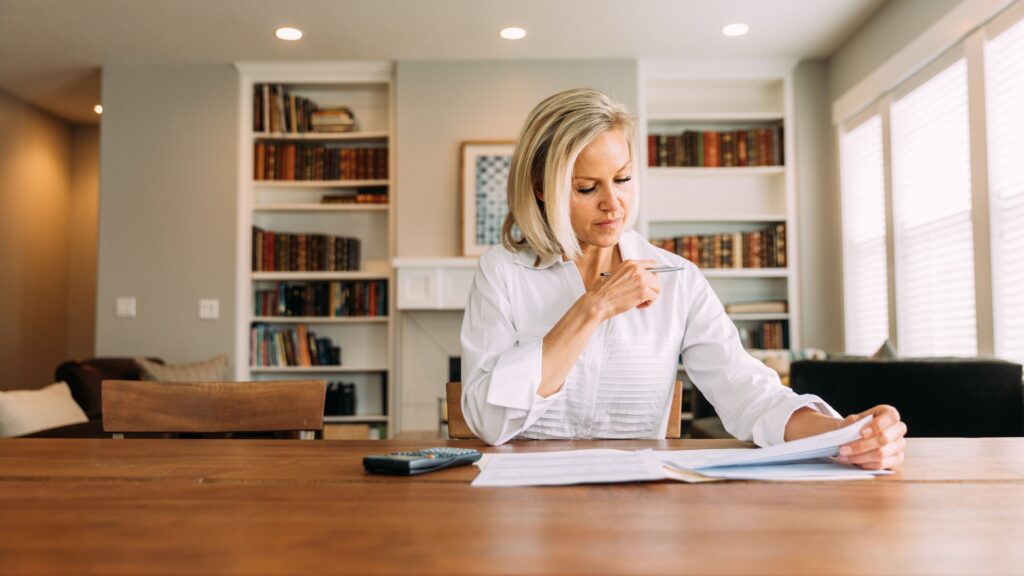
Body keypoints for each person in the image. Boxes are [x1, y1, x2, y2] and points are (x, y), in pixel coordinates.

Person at [460, 88, 906, 470]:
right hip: (522, 506)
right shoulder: (503, 272)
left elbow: (746, 392)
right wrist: (592, 309)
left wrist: (841, 434)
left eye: (623, 178)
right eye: (586, 188)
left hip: (637, 508)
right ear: (542, 186)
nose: (613, 203)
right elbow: (487, 420)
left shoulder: (679, 278)